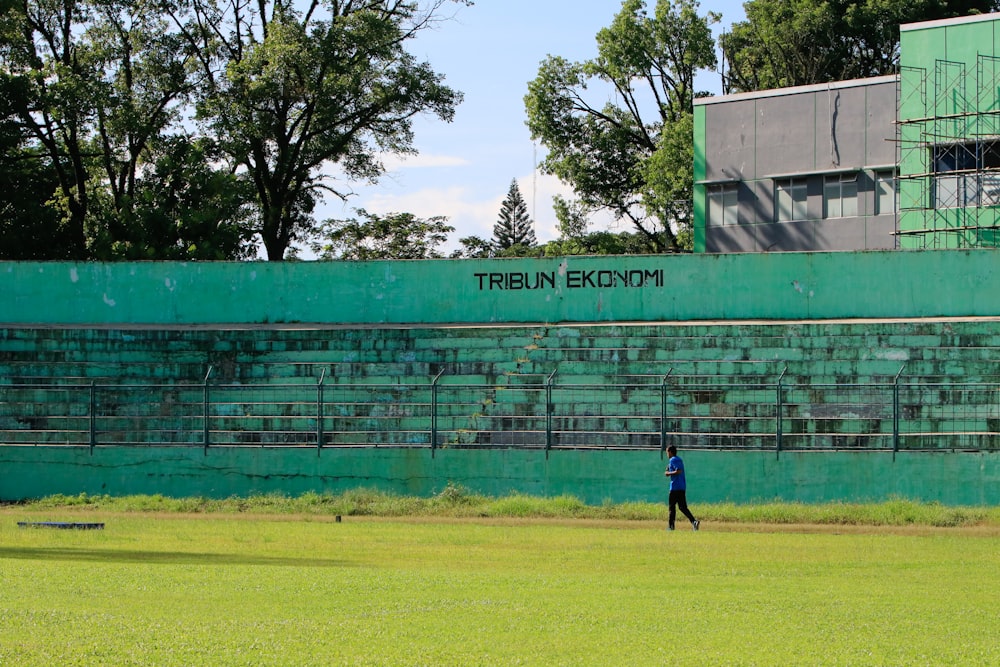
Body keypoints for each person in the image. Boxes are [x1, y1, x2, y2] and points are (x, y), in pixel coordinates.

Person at [664, 445, 700, 531]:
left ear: (670, 452)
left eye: (667, 452)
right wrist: (669, 469)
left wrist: (668, 473)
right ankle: (694, 522)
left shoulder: (673, 460)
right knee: (682, 507)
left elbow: (679, 471)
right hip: (681, 487)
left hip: (675, 487)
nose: (667, 454)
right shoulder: (678, 459)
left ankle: (671, 527)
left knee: (672, 508)